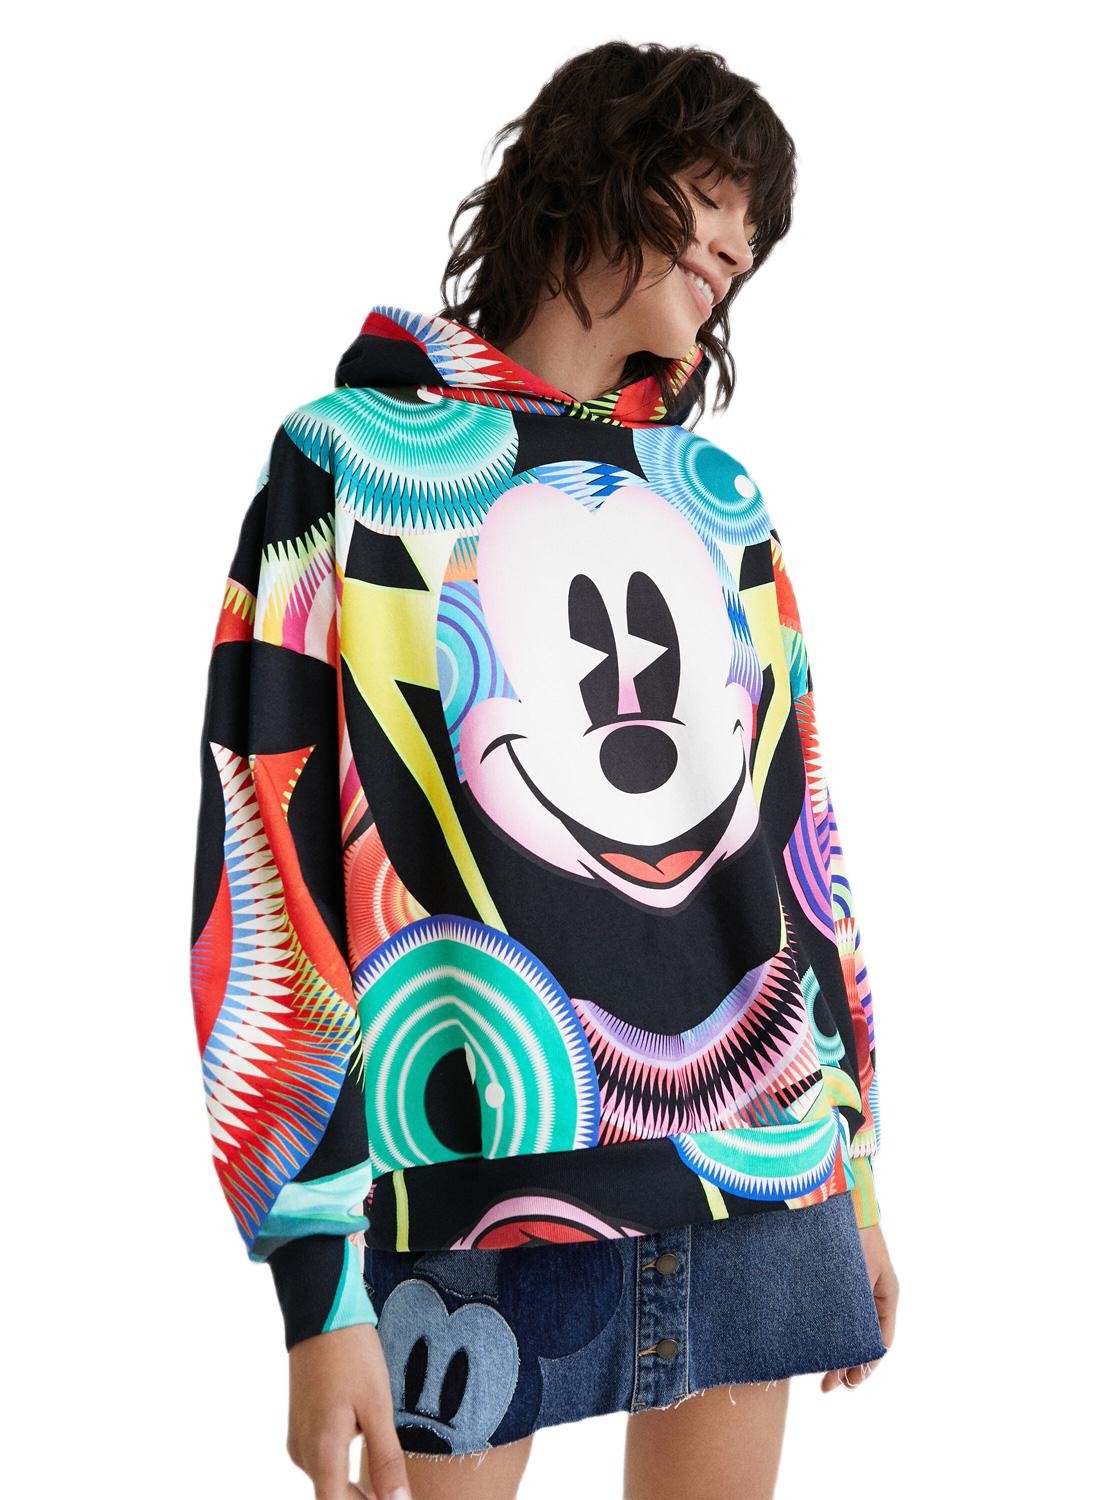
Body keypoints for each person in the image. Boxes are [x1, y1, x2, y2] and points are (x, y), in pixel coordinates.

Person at [188, 39, 900, 1500]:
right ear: (599, 170)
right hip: (466, 1188)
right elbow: (265, 860)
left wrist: (859, 1169)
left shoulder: (718, 498)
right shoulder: (348, 462)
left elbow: (800, 839)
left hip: (761, 1168)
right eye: (715, 195)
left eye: (754, 233)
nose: (738, 245)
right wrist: (315, 1281)